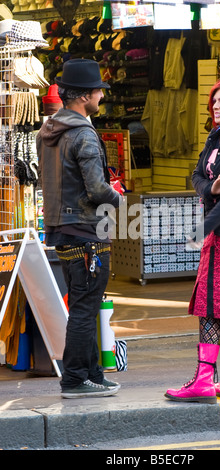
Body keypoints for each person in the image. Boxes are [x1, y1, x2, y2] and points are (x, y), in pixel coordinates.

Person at [165, 76, 220, 404]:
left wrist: (203, 228)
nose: (216, 106)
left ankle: (206, 381)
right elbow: (197, 175)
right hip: (219, 232)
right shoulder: (216, 136)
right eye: (214, 101)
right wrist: (209, 188)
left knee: (215, 306)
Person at [37, 59, 124, 399]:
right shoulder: (83, 133)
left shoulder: (50, 130)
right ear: (86, 95)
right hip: (87, 230)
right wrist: (120, 200)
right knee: (86, 307)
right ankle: (75, 378)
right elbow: (97, 189)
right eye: (99, 90)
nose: (102, 96)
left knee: (82, 303)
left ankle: (91, 375)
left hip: (61, 228)